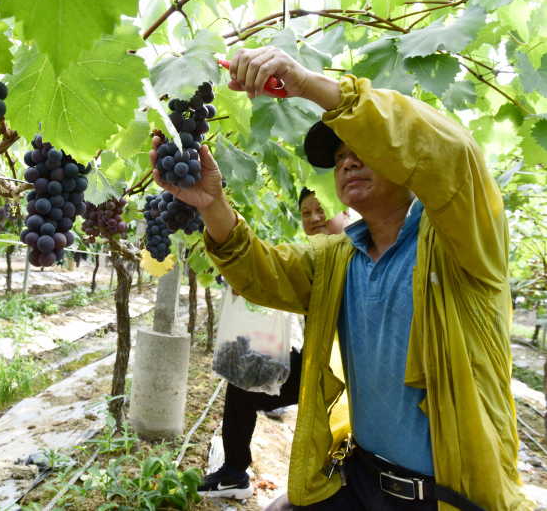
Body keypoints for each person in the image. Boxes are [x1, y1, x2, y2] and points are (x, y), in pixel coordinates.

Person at [151, 46, 529, 510]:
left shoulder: (461, 243)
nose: (347, 162)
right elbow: (260, 271)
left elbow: (456, 157)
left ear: (406, 160)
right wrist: (212, 205)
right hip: (361, 478)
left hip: (450, 496)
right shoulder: (338, 257)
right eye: (340, 157)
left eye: (362, 149)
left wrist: (310, 86)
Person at [198, 189, 348, 500]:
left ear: (346, 211)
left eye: (321, 209)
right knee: (244, 383)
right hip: (318, 363)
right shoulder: (317, 260)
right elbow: (274, 275)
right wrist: (252, 286)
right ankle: (235, 472)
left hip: (345, 378)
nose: (314, 218)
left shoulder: (357, 256)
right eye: (306, 213)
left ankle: (324, 483)